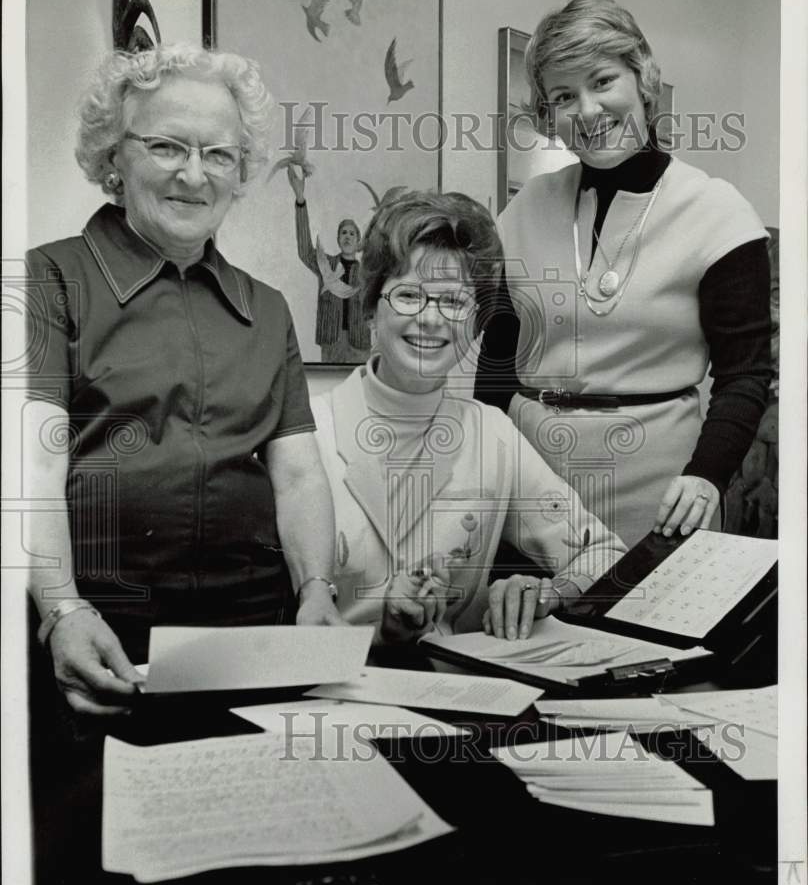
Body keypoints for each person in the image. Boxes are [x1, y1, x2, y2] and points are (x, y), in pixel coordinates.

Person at [26, 43, 343, 717]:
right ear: (114, 156)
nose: (194, 176)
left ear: (240, 172)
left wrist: (317, 590)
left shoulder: (268, 308)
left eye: (219, 155)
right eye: (168, 146)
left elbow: (298, 475)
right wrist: (61, 612)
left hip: (257, 634)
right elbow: (34, 466)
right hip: (102, 631)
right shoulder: (47, 280)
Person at [475, 0, 772, 549]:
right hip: (530, 487)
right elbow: (496, 364)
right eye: (563, 96)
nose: (587, 111)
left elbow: (745, 374)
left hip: (662, 495)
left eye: (602, 81)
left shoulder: (721, 213)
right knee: (522, 631)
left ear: (644, 79)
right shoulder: (521, 212)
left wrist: (707, 474)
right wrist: (484, 471)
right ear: (548, 117)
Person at [310, 191, 626, 643]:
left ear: (475, 321)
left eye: (453, 302)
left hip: (458, 695)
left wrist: (546, 593)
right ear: (370, 309)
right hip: (328, 695)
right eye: (408, 295)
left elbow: (606, 554)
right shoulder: (309, 433)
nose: (430, 319)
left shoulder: (492, 434)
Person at [288, 168, 371, 363]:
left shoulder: (368, 270)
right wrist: (300, 200)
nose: (348, 236)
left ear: (359, 240)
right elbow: (304, 249)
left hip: (359, 342)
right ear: (338, 239)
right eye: (343, 233)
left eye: (352, 233)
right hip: (331, 341)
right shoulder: (326, 264)